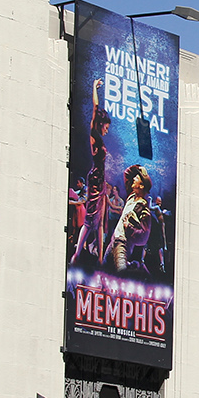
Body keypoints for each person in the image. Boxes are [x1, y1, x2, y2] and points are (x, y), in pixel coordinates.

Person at [71, 80, 112, 266]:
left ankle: (101, 258)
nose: (107, 130)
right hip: (95, 179)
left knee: (101, 220)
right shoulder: (94, 133)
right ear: (101, 123)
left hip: (101, 180)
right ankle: (77, 254)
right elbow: (95, 106)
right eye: (106, 126)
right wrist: (94, 87)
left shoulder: (100, 139)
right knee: (89, 221)